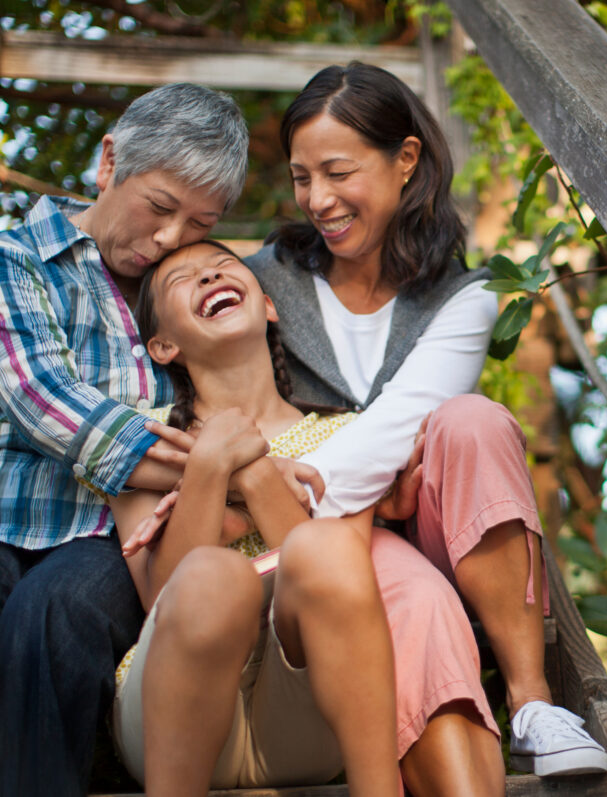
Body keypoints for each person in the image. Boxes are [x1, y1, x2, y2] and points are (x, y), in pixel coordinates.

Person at [247, 61, 607, 777]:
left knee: (472, 420)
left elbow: (406, 418)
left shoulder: (464, 296)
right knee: (410, 596)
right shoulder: (266, 281)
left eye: (338, 171)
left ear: (405, 159)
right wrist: (373, 487)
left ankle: (533, 702)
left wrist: (308, 469)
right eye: (301, 177)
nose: (317, 198)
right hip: (323, 551)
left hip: (431, 528)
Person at [116, 239, 502, 796]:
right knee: (214, 577)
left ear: (269, 306)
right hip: (173, 718)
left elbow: (331, 576)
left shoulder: (348, 437)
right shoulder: (142, 437)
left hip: (301, 713)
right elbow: (161, 593)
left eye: (222, 266)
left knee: (330, 547)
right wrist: (209, 460)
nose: (208, 276)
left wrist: (249, 472)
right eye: (184, 279)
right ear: (162, 346)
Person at [0, 83, 248, 797]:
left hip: (110, 537)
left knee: (55, 615)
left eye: (199, 222)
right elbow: (42, 400)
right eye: (158, 206)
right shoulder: (17, 260)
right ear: (109, 161)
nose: (170, 238)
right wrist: (218, 469)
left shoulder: (179, 293)